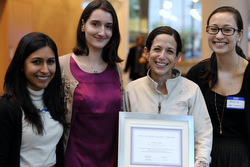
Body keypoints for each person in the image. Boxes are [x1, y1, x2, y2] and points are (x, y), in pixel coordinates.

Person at [123, 26, 213, 167]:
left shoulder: (191, 90)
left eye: (170, 51)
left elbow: (203, 136)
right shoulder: (131, 91)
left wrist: (200, 163)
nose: (162, 56)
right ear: (146, 52)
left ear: (177, 57)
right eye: (157, 49)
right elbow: (124, 139)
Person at [59, 0, 123, 166]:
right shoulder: (62, 66)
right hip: (74, 158)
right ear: (83, 25)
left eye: (108, 26)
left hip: (111, 159)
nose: (102, 32)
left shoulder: (117, 69)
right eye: (95, 24)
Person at [186, 6, 250, 167]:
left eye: (227, 30)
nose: (219, 35)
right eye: (213, 29)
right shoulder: (197, 73)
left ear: (240, 35)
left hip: (243, 159)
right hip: (203, 157)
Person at [0, 32, 66, 167]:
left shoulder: (55, 100)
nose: (45, 70)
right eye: (37, 62)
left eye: (51, 62)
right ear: (21, 66)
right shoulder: (7, 108)